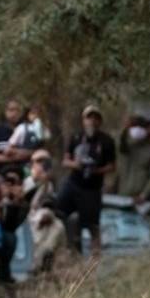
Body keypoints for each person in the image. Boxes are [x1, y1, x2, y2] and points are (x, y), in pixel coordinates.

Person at [52, 105, 117, 256]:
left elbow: (112, 166)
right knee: (59, 212)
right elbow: (65, 161)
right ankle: (68, 249)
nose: (92, 121)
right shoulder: (75, 137)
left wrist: (96, 170)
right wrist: (76, 165)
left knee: (93, 224)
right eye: (89, 117)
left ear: (100, 121)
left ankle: (95, 259)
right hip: (74, 183)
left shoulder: (107, 141)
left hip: (92, 189)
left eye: (95, 118)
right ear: (83, 120)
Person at [0, 168, 31, 285]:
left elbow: (11, 226)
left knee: (10, 238)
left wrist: (16, 202)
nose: (9, 186)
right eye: (6, 182)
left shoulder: (19, 204)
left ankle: (3, 275)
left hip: (5, 246)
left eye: (14, 183)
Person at [114, 115, 150, 199]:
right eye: (134, 126)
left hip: (141, 198)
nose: (137, 130)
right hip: (122, 194)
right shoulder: (123, 148)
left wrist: (144, 195)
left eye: (141, 127)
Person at [0, 99, 37, 165]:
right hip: (1, 169)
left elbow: (36, 151)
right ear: (5, 111)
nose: (15, 113)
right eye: (11, 110)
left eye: (18, 110)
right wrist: (8, 159)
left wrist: (15, 151)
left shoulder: (29, 129)